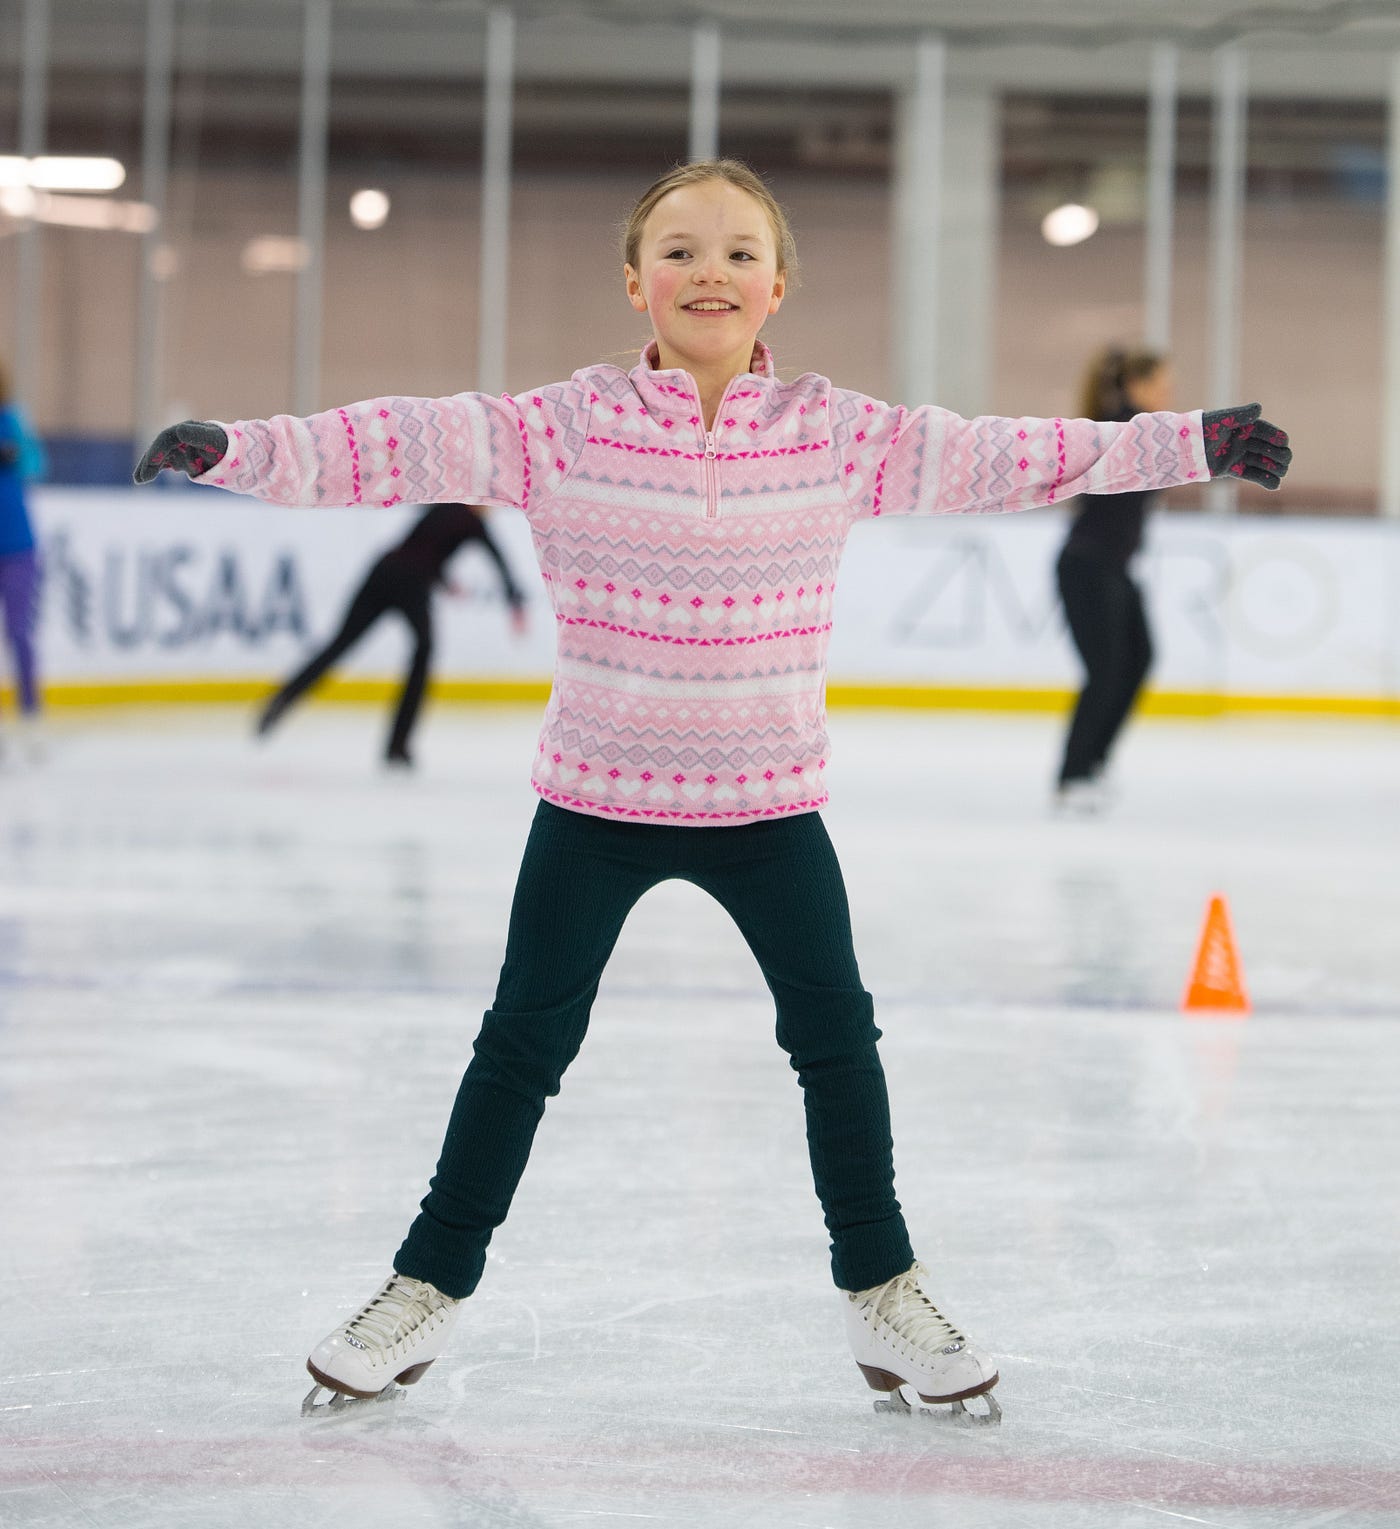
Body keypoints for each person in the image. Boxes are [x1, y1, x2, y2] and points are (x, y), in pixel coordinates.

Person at [133, 158, 1291, 1422]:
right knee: (521, 1044)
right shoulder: (560, 426)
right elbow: (394, 438)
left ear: (776, 286)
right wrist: (234, 450)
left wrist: (1189, 440)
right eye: (679, 250)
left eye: (739, 251)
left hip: (768, 807)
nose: (709, 272)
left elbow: (1008, 454)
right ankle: (422, 1284)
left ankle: (882, 1290)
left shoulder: (834, 433)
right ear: (635, 283)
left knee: (837, 1044)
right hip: (595, 801)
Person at [255, 501, 528, 767]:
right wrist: (515, 604)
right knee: (423, 652)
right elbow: (499, 562)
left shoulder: (444, 506)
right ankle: (397, 746)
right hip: (411, 584)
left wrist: (442, 578)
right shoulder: (473, 522)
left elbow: (424, 545)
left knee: (340, 645)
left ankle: (282, 700)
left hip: (383, 572)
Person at [1053, 346, 1175, 814]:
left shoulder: (1139, 428)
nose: (1168, 394)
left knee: (1139, 657)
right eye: (1162, 385)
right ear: (1136, 387)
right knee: (1105, 671)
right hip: (1087, 566)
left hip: (1114, 568)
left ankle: (1094, 762)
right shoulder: (1127, 428)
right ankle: (1074, 773)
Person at [0, 359, 48, 764]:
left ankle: (31, 719)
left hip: (17, 546)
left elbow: (36, 464)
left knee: (19, 633)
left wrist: (14, 454)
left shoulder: (12, 419)